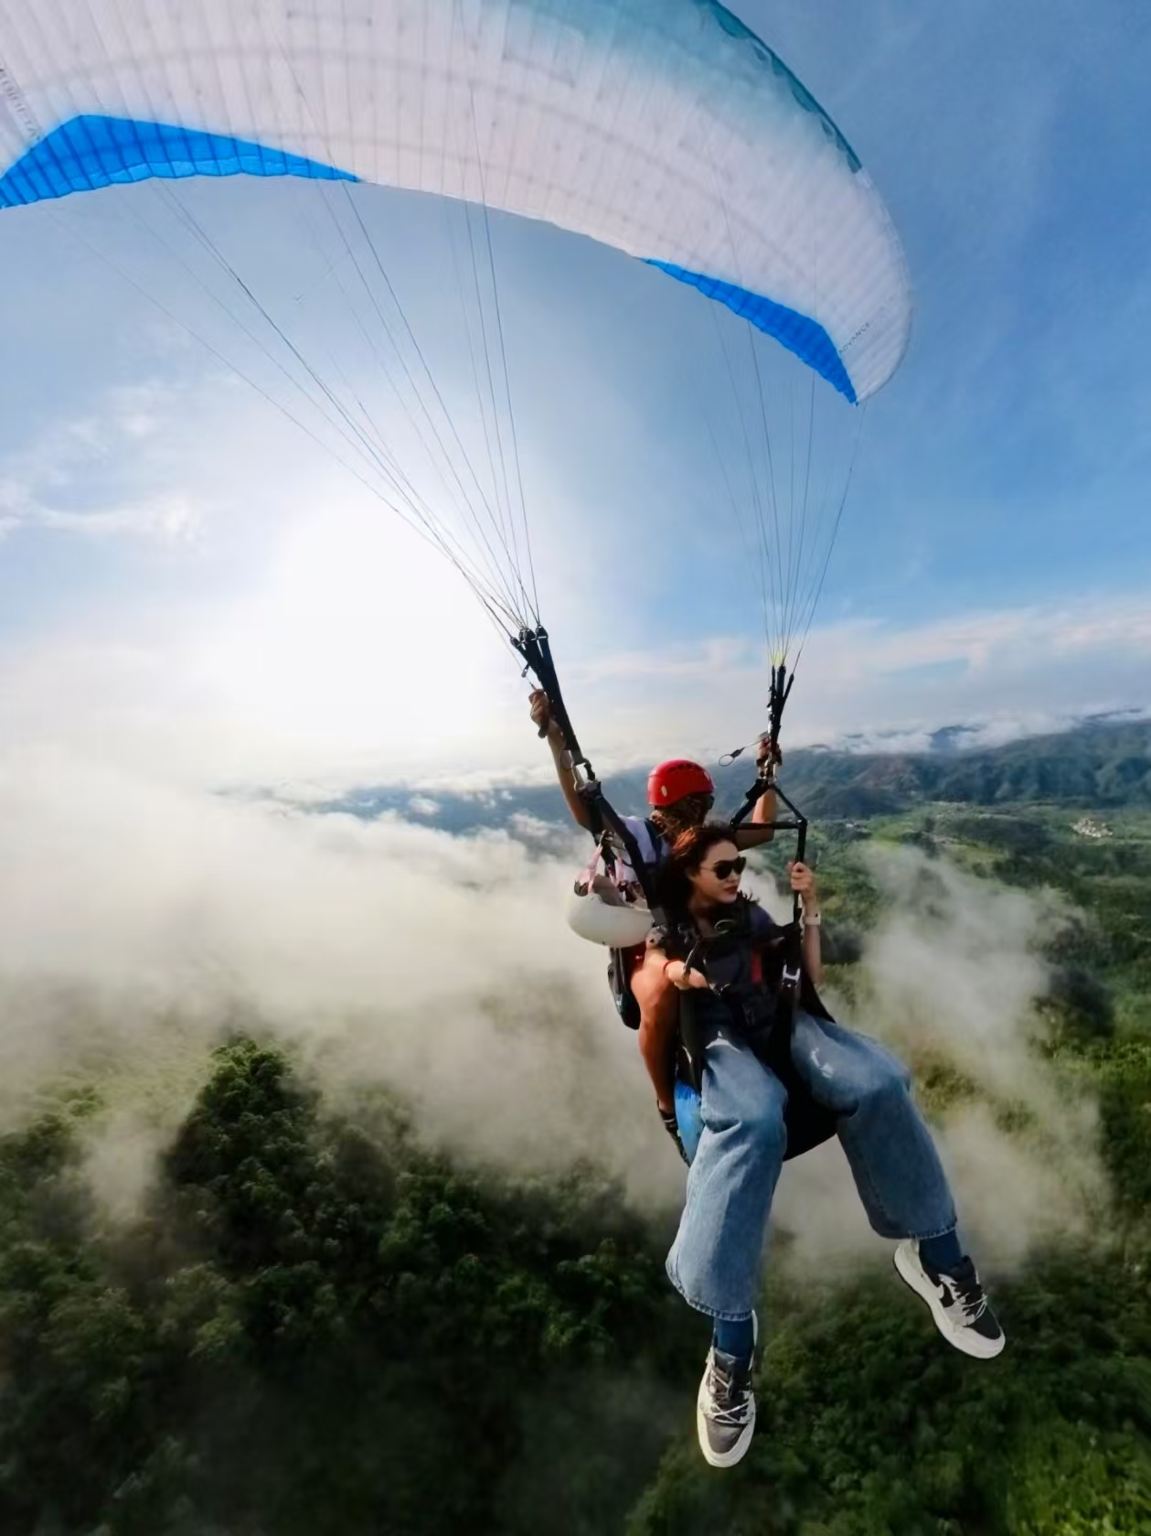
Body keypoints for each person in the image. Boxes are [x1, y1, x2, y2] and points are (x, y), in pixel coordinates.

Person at [642, 824, 1005, 1469]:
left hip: (787, 1023)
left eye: (738, 867)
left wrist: (808, 910)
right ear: (690, 875)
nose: (735, 877)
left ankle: (938, 1258)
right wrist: (679, 983)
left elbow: (806, 978)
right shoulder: (669, 931)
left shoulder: (751, 918)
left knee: (882, 1079)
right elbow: (651, 994)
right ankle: (730, 1344)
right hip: (723, 1047)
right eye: (723, 869)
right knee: (755, 1121)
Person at [529, 688, 778, 1128]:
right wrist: (556, 744)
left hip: (697, 936)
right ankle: (666, 1102)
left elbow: (765, 831)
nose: (700, 813)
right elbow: (586, 814)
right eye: (692, 805)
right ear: (670, 805)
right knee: (661, 998)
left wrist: (768, 776)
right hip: (651, 945)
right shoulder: (637, 837)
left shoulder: (702, 839)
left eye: (703, 805)